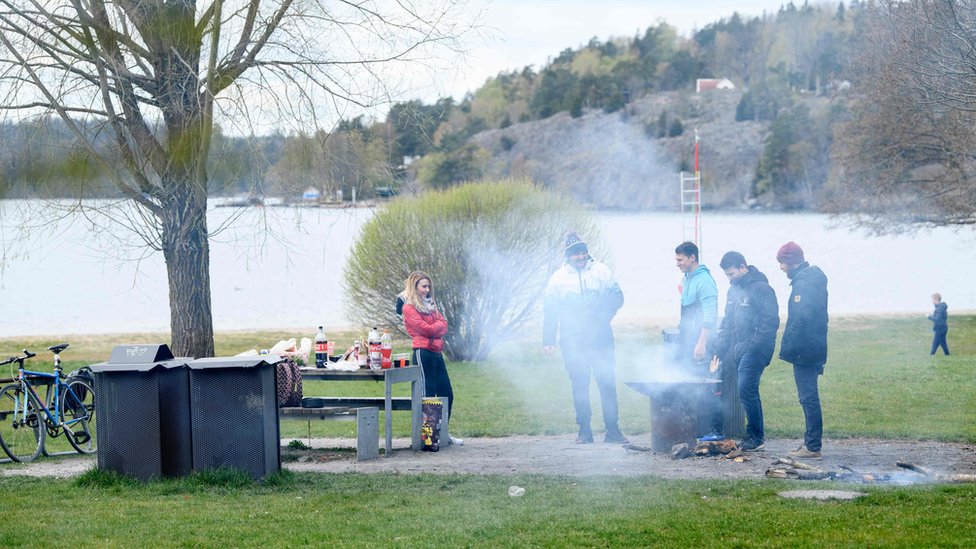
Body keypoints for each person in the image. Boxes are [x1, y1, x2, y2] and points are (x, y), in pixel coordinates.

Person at [543, 232, 629, 444]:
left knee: (606, 382)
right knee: (580, 386)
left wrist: (603, 315)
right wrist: (548, 341)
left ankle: (613, 430)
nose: (580, 258)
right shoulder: (558, 279)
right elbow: (550, 311)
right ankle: (584, 431)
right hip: (573, 340)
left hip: (601, 337)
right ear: (568, 256)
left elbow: (618, 297)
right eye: (576, 255)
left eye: (583, 253)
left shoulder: (601, 271)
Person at [713, 251, 779, 452]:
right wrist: (720, 348)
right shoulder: (733, 291)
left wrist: (749, 345)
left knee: (746, 388)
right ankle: (739, 432)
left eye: (732, 274)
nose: (730, 279)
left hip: (757, 348)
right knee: (738, 388)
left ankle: (756, 437)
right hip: (737, 347)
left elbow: (770, 323)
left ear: (743, 267)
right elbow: (728, 322)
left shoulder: (762, 288)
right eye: (727, 275)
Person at [776, 241, 828, 460]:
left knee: (808, 397)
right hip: (814, 346)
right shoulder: (810, 279)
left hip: (806, 349)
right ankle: (810, 442)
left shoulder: (804, 283)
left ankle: (813, 446)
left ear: (792, 262)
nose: (781, 268)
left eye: (782, 263)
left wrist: (788, 346)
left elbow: (801, 317)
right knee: (808, 396)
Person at [400, 270, 462, 445]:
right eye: (423, 286)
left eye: (428, 286)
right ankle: (428, 438)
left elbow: (444, 325)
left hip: (436, 352)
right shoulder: (409, 307)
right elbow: (424, 329)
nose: (427, 290)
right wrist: (435, 327)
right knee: (427, 394)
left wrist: (434, 326)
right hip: (423, 353)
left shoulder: (431, 305)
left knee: (446, 392)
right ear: (415, 287)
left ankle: (442, 434)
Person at [673, 241, 723, 441]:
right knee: (690, 384)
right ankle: (695, 428)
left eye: (680, 259)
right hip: (689, 340)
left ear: (692, 258)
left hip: (703, 343)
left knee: (706, 385)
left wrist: (701, 343)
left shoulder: (705, 281)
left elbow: (710, 316)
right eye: (676, 259)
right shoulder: (687, 279)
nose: (677, 263)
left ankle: (715, 430)